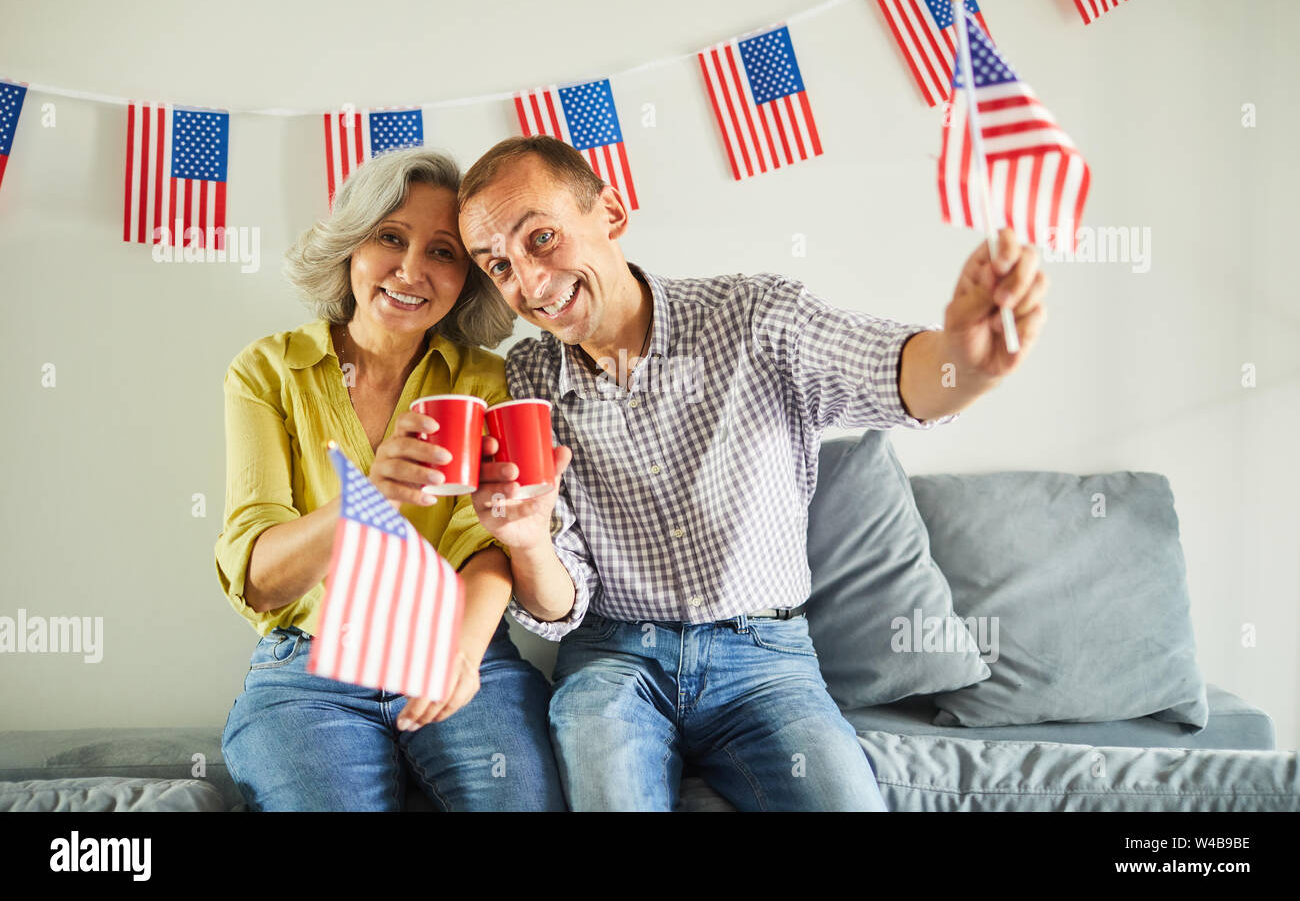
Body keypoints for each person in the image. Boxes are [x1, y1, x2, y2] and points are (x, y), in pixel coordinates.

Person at [456, 135, 1048, 811]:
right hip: (614, 663)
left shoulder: (755, 318)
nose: (528, 284)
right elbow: (561, 604)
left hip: (766, 660)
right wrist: (528, 543)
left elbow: (896, 375)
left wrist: (965, 365)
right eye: (497, 264)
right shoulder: (528, 381)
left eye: (540, 239)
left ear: (611, 214)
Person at [216, 147, 565, 811]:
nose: (412, 270)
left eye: (442, 253)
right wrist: (368, 494)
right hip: (312, 671)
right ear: (352, 245)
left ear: (467, 277)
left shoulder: (487, 383)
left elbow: (486, 546)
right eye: (390, 238)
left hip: (462, 649)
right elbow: (261, 580)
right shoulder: (267, 373)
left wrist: (460, 658)